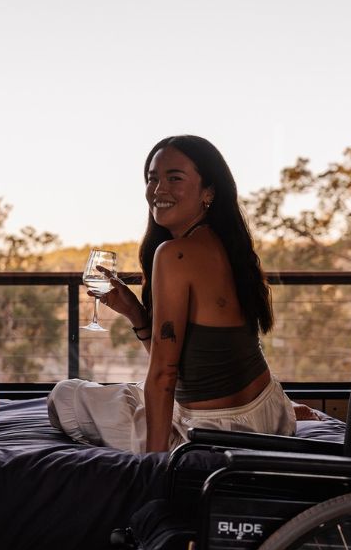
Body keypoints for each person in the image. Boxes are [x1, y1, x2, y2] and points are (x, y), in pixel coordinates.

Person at [48, 135, 303, 453]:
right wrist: (136, 314)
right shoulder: (229, 246)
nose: (159, 189)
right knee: (131, 391)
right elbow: (187, 363)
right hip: (270, 414)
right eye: (152, 179)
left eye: (174, 178)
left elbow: (165, 374)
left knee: (66, 396)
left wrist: (155, 464)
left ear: (209, 191)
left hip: (215, 431)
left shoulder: (174, 254)